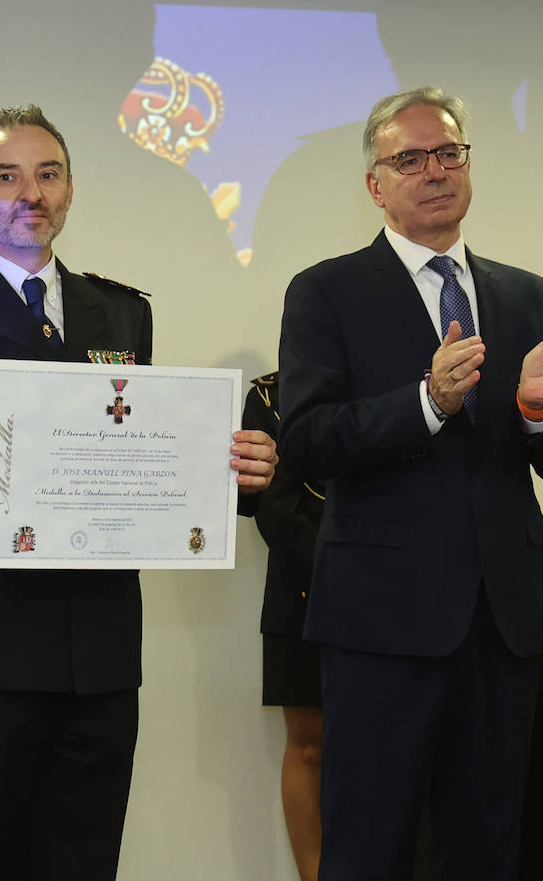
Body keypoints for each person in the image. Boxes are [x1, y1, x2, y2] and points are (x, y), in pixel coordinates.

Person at [0, 104, 278, 881]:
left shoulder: (122, 311)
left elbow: (143, 459)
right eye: (7, 177)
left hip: (99, 647)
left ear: (71, 189)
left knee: (87, 860)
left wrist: (231, 476)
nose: (30, 193)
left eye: (49, 175)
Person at [277, 87, 543, 880]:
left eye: (449, 154)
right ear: (376, 184)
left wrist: (534, 408)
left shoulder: (524, 294)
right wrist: (428, 401)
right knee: (368, 846)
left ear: (468, 166)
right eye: (410, 159)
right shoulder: (326, 291)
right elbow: (310, 441)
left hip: (502, 621)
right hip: (383, 624)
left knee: (486, 844)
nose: (434, 171)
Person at [243, 372, 325, 881]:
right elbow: (273, 508)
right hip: (305, 584)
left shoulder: (406, 382)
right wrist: (347, 575)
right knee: (311, 742)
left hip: (399, 589)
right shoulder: (271, 396)